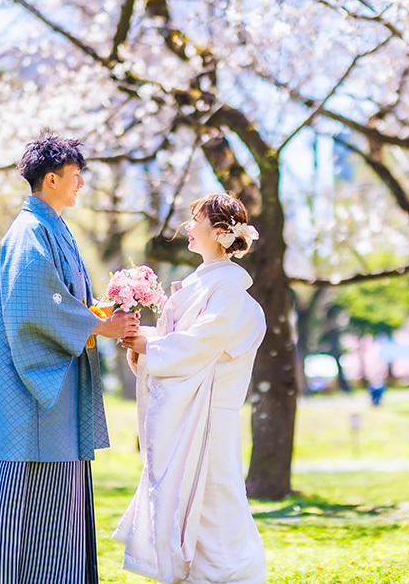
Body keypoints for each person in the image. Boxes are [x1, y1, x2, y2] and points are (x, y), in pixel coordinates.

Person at [0, 132, 140, 584]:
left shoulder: (50, 226)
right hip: (36, 403)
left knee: (62, 508)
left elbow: (65, 301)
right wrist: (98, 326)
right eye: (75, 177)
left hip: (57, 396)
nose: (81, 186)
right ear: (51, 179)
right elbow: (36, 304)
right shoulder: (29, 233)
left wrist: (101, 314)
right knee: (34, 514)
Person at [113, 193, 267, 584]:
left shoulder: (229, 291)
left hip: (213, 412)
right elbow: (186, 340)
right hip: (192, 409)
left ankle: (227, 574)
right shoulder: (204, 283)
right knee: (187, 492)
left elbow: (203, 343)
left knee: (215, 496)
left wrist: (150, 346)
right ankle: (193, 570)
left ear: (220, 233)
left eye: (195, 219)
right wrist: (141, 340)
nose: (187, 227)